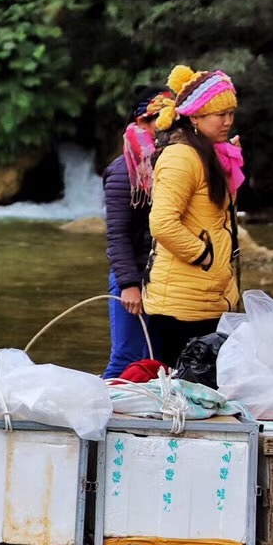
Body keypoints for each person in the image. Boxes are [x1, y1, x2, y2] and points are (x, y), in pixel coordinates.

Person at [143, 66, 244, 371]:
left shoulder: (210, 154)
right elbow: (162, 222)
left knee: (203, 392)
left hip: (209, 296)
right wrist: (204, 255)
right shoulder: (180, 157)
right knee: (179, 390)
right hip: (178, 303)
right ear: (196, 117)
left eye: (230, 113)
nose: (227, 121)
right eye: (219, 114)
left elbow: (215, 217)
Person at [100, 88, 172, 379]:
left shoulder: (172, 163)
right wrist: (129, 285)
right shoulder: (122, 171)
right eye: (159, 120)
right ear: (141, 122)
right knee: (126, 358)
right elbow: (117, 235)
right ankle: (102, 416)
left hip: (163, 277)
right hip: (132, 279)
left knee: (156, 360)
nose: (166, 127)